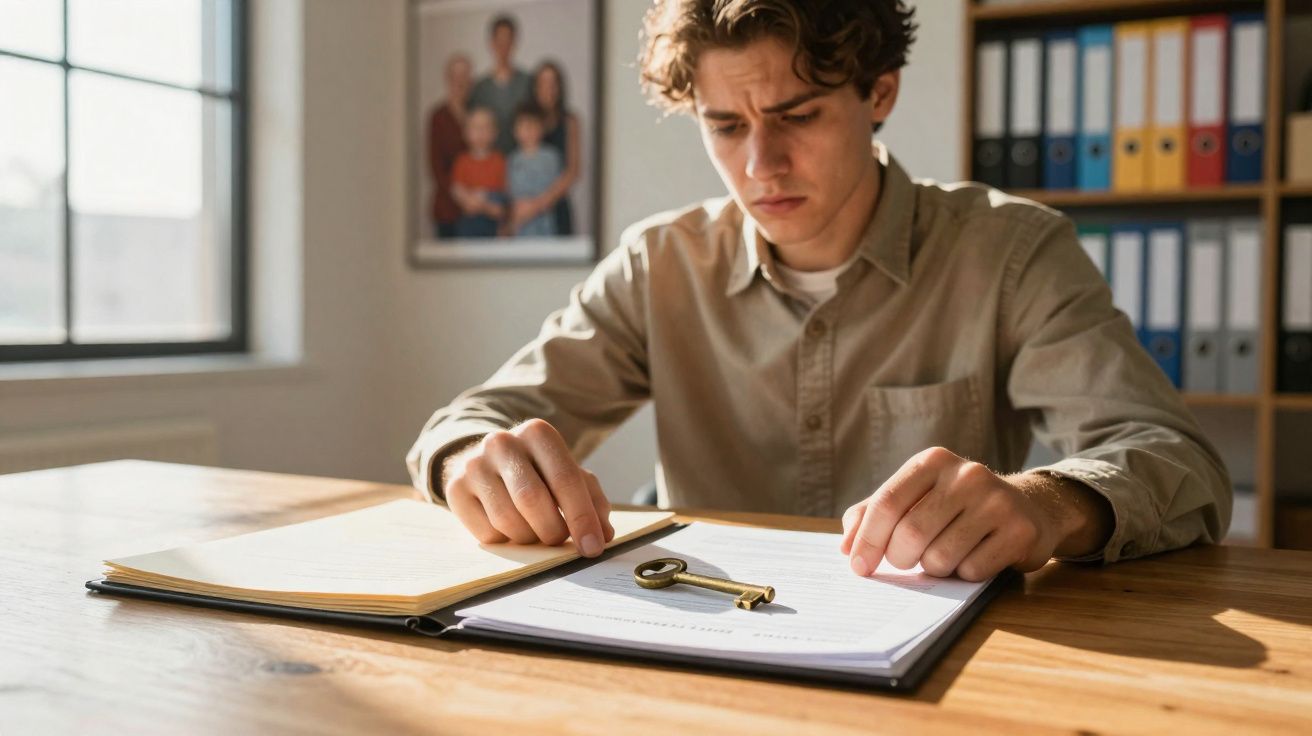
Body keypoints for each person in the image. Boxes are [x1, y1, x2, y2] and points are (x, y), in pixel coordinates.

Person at [407, 0, 1231, 582]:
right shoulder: (660, 263)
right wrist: (472, 463)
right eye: (725, 127)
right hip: (701, 643)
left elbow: (1177, 463)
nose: (759, 166)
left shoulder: (1010, 253)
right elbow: (466, 425)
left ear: (879, 93)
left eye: (796, 116)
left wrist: (1048, 502)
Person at [513, 60, 581, 236]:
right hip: (524, 210)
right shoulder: (524, 118)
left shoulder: (569, 121)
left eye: (553, 84)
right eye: (543, 83)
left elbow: (573, 170)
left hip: (556, 206)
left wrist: (539, 204)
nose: (548, 89)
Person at [469, 14, 532, 155]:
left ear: (514, 42)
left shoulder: (528, 82)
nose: (504, 46)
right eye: (499, 41)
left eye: (508, 40)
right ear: (491, 43)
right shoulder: (480, 88)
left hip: (522, 160)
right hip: (490, 162)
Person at [428, 53, 472, 239]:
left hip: (476, 210)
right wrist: (458, 194)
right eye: (455, 76)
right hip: (448, 207)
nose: (460, 81)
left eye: (464, 76)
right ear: (447, 79)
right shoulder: (438, 117)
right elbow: (436, 166)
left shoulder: (477, 113)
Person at [506, 103, 563, 237]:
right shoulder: (512, 159)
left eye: (533, 125)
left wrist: (534, 206)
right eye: (524, 126)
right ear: (515, 130)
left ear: (542, 128)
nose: (529, 130)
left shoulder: (551, 156)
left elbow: (554, 188)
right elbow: (509, 189)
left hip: (544, 219)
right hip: (520, 221)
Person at [449, 107, 507, 238]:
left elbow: (504, 197)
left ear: (494, 133)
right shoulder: (462, 161)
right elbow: (457, 190)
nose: (480, 132)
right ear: (466, 133)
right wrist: (470, 200)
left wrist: (485, 204)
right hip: (469, 221)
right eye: (475, 127)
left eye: (485, 127)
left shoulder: (499, 161)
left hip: (493, 223)